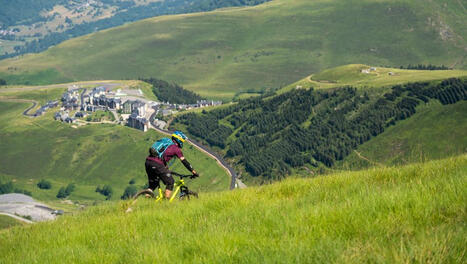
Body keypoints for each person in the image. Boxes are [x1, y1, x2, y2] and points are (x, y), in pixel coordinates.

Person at [145, 131, 198, 199]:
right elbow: (184, 161)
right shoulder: (176, 149)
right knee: (170, 182)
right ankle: (166, 203)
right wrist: (193, 171)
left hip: (148, 162)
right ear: (179, 140)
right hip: (157, 164)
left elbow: (162, 156)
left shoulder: (165, 141)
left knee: (153, 185)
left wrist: (165, 168)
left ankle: (146, 200)